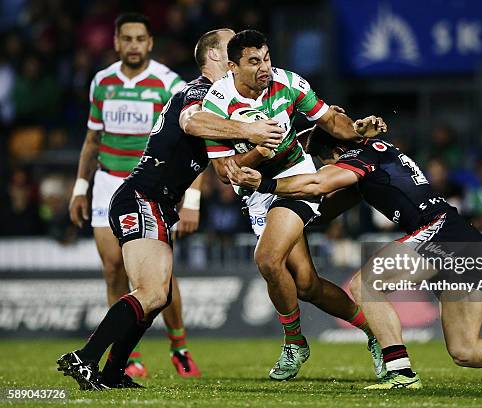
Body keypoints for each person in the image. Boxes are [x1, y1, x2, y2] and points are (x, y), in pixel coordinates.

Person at [225, 128, 482, 390]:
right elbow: (329, 206)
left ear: (335, 154)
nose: (326, 167)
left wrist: (267, 184)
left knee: (365, 284)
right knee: (465, 350)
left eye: (326, 160)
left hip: (440, 231)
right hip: (464, 237)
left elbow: (319, 184)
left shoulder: (359, 156)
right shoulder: (379, 151)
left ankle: (399, 370)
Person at [57, 27, 284, 390]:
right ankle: (85, 358)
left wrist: (265, 148)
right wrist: (250, 130)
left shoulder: (221, 104)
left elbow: (227, 174)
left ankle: (114, 371)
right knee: (149, 291)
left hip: (158, 202)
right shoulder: (199, 92)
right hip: (140, 197)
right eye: (233, 46)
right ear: (215, 57)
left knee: (157, 296)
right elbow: (190, 122)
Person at [199, 29, 386, 381]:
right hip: (256, 192)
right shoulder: (217, 105)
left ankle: (294, 343)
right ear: (233, 67)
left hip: (296, 180)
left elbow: (330, 120)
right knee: (307, 285)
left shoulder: (288, 83)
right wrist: (258, 148)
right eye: (254, 62)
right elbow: (225, 174)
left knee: (268, 259)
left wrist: (359, 130)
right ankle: (377, 332)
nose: (264, 67)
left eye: (267, 58)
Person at [68, 12, 202, 379]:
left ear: (150, 43)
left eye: (139, 39)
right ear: (116, 42)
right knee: (113, 269)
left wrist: (192, 199)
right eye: (126, 39)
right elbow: (92, 139)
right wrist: (80, 187)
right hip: (108, 181)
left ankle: (179, 345)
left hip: (151, 184)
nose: (133, 45)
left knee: (159, 274)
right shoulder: (102, 81)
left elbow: (197, 144)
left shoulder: (168, 83)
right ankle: (128, 355)